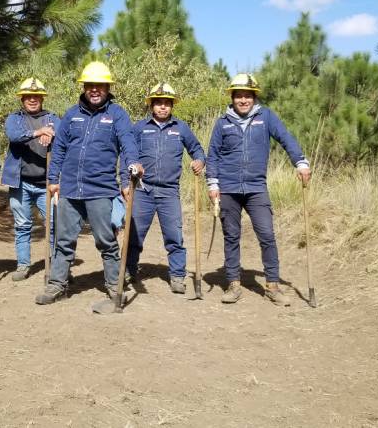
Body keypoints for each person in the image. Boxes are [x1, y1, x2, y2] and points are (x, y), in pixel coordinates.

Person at [35, 61, 143, 305]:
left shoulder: (117, 115)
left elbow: (128, 144)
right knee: (63, 240)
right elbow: (60, 148)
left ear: (108, 88)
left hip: (100, 190)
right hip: (70, 190)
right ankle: (56, 285)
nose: (95, 90)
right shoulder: (72, 115)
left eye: (100, 86)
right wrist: (53, 179)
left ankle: (115, 288)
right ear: (84, 87)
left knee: (105, 241)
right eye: (90, 85)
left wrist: (133, 165)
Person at [205, 73, 311, 306]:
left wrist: (300, 162)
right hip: (228, 188)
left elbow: (286, 138)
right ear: (232, 98)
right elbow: (212, 155)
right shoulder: (222, 122)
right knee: (231, 237)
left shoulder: (266, 117)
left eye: (247, 96)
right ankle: (233, 284)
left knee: (267, 235)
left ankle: (272, 285)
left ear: (254, 97)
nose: (243, 100)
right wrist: (212, 183)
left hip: (256, 188)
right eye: (239, 96)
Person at [126, 82, 205, 293]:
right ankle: (128, 270)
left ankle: (178, 276)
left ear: (172, 105)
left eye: (167, 103)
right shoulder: (140, 128)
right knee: (134, 235)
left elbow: (197, 150)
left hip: (169, 191)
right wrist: (125, 182)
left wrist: (199, 160)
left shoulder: (181, 128)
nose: (162, 107)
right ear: (151, 105)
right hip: (142, 190)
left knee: (174, 236)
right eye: (158, 103)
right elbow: (127, 154)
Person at [1, 78, 60, 281]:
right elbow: (14, 135)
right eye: (28, 96)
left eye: (36, 96)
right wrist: (38, 132)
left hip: (46, 183)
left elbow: (61, 138)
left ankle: (55, 265)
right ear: (22, 99)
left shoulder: (52, 118)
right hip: (21, 183)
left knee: (53, 225)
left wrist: (51, 133)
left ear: (42, 98)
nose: (33, 100)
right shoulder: (14, 119)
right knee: (22, 225)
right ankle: (23, 265)